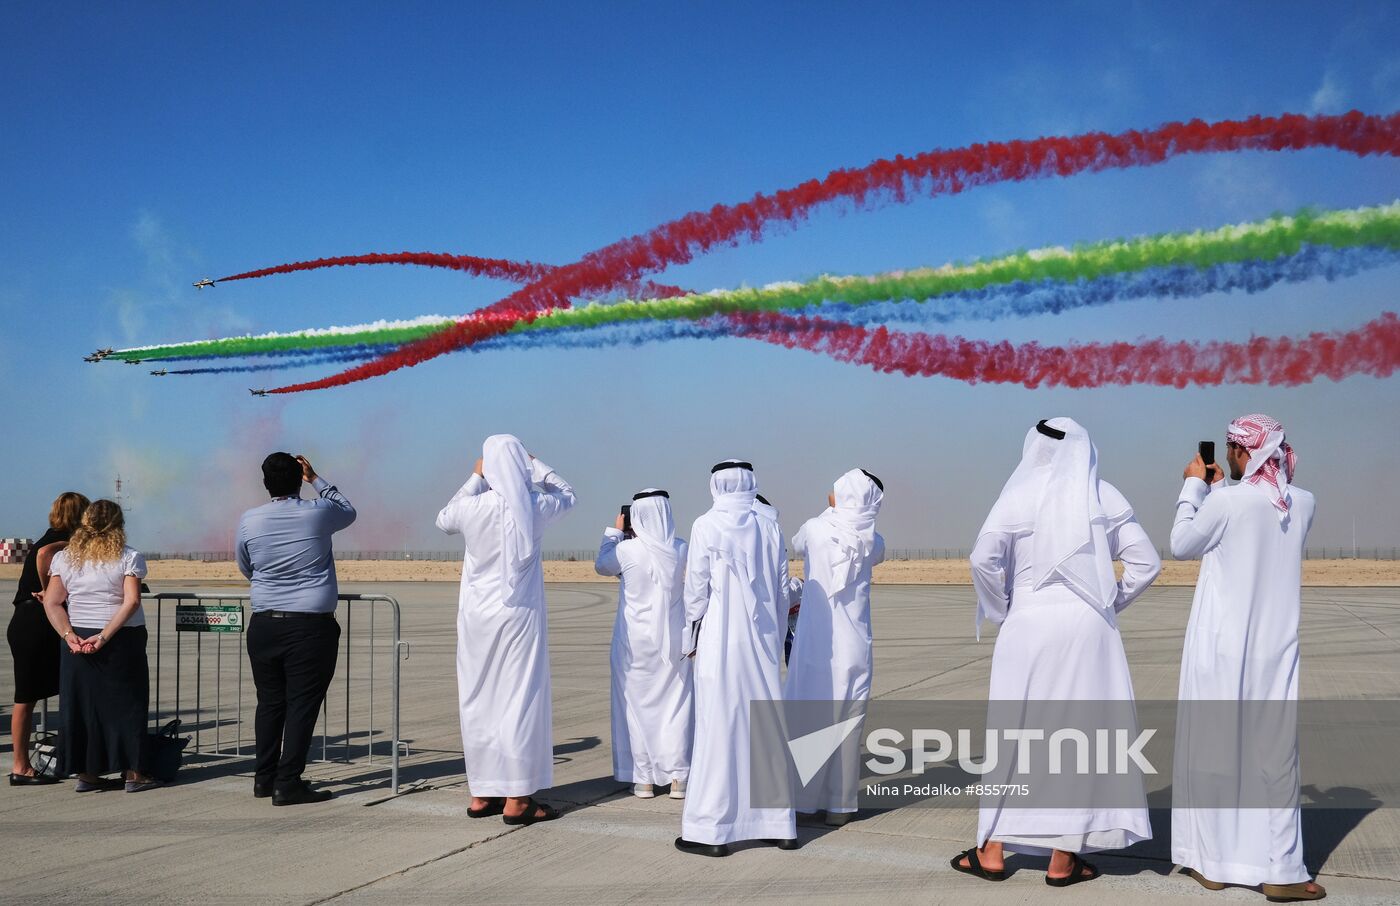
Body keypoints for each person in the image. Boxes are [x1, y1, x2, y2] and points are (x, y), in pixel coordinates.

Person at [953, 418, 1160, 886]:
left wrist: (1002, 608)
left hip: (1027, 624)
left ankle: (992, 850)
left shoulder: (1017, 495)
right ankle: (1063, 860)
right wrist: (1107, 602)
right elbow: (1147, 564)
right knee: (1081, 737)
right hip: (1090, 629)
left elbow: (981, 559)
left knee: (1016, 732)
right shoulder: (1103, 495)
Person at [1170, 415, 1324, 902]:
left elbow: (1181, 545)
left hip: (1220, 648)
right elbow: (1264, 513)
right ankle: (1281, 870)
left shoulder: (1227, 501)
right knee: (1277, 758)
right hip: (1276, 649)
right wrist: (1219, 493)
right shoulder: (1303, 503)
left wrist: (1194, 489)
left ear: (1241, 452)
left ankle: (1213, 865)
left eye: (1235, 449)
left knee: (1216, 749)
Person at [436, 434, 576, 825]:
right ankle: (517, 798)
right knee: (518, 700)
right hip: (519, 617)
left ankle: (482, 793)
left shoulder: (472, 507)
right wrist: (537, 465)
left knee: (479, 699)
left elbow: (443, 517)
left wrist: (475, 476)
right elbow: (568, 493)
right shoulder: (534, 505)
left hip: (477, 619)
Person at [675, 460, 797, 857]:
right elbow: (782, 590)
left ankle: (712, 831)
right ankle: (779, 827)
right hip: (761, 642)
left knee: (717, 727)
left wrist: (689, 634)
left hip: (720, 642)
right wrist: (774, 637)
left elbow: (696, 592)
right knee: (765, 727)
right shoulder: (770, 526)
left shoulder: (705, 525)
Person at [236, 453, 355, 806]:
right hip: (309, 626)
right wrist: (316, 478)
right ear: (297, 478)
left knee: (270, 703)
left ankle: (264, 776)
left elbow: (246, 566)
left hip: (265, 622)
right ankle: (288, 782)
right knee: (302, 705)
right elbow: (347, 510)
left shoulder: (249, 519)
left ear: (265, 483)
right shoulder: (318, 511)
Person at [782, 469, 886, 825]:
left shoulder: (816, 528)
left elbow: (797, 542)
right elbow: (873, 548)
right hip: (855, 644)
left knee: (810, 719)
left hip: (818, 645)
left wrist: (830, 510)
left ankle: (804, 802)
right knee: (848, 724)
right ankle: (840, 807)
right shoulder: (873, 539)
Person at [39, 500, 158, 792]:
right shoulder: (128, 557)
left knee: (82, 707)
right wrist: (104, 636)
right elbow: (131, 601)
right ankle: (133, 773)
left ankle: (86, 773)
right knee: (128, 704)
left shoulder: (66, 558)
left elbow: (52, 602)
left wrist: (68, 635)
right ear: (119, 526)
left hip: (78, 638)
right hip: (120, 638)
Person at [595, 489, 693, 800]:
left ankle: (644, 779)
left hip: (634, 643)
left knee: (636, 708)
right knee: (676, 708)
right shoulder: (680, 548)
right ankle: (678, 777)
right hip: (674, 641)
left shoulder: (626, 552)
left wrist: (613, 532)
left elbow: (601, 565)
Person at [8, 491, 89, 784]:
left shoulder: (48, 536)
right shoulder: (61, 541)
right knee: (27, 697)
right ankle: (21, 767)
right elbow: (44, 555)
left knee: (29, 696)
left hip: (26, 621)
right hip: (35, 622)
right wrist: (47, 591)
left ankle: (33, 762)